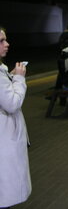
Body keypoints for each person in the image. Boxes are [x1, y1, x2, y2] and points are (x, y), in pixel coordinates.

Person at [0, 27, 31, 208]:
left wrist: (10, 77)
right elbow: (12, 103)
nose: (7, 44)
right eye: (1, 41)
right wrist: (19, 79)